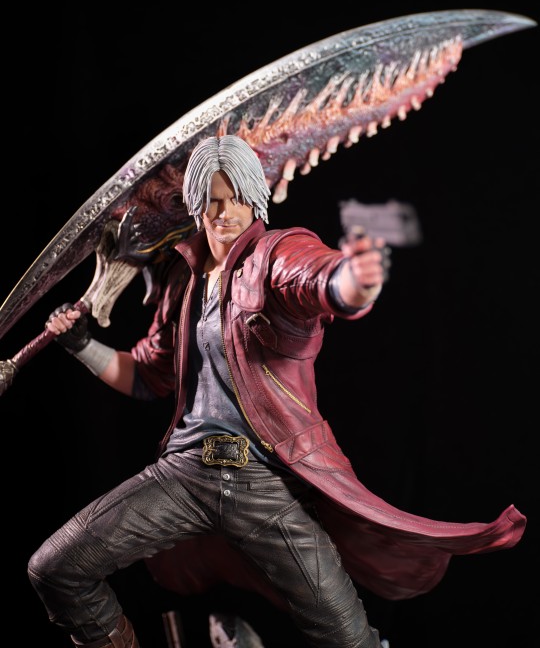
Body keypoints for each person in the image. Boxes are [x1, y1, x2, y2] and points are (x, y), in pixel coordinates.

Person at [28, 135, 525, 648]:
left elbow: (317, 279)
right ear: (196, 203)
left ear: (255, 197)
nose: (225, 213)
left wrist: (353, 280)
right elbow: (147, 377)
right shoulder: (183, 282)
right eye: (212, 200)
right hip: (185, 474)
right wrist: (82, 345)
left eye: (237, 198)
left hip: (264, 485)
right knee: (57, 569)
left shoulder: (275, 255)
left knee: (349, 640)